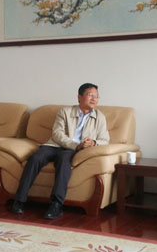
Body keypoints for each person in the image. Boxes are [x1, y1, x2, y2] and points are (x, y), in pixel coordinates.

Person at [11, 83, 110, 219]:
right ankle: (19, 200)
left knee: (64, 161)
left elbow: (105, 140)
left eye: (96, 96)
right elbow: (57, 134)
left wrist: (93, 142)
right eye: (90, 95)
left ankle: (56, 205)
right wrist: (76, 145)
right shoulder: (65, 112)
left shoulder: (100, 117)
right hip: (54, 145)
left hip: (72, 151)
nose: (94, 99)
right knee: (35, 158)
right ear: (79, 97)